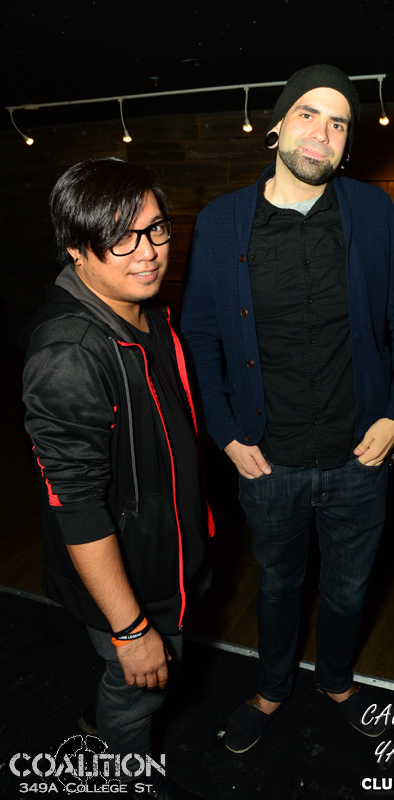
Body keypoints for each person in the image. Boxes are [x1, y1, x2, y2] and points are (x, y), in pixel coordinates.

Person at [180, 64, 394, 753]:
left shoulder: (372, 213)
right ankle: (270, 687)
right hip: (266, 460)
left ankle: (338, 681)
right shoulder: (222, 221)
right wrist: (225, 433)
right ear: (277, 126)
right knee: (277, 586)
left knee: (349, 589)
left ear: (347, 145)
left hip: (359, 456)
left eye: (338, 123)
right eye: (308, 114)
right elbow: (198, 334)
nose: (322, 132)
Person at [21, 157, 213, 799]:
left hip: (165, 556)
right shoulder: (69, 353)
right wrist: (130, 632)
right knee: (137, 697)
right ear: (77, 248)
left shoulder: (145, 310)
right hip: (130, 586)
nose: (148, 252)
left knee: (134, 689)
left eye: (155, 229)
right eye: (120, 238)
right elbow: (76, 508)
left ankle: (104, 716)